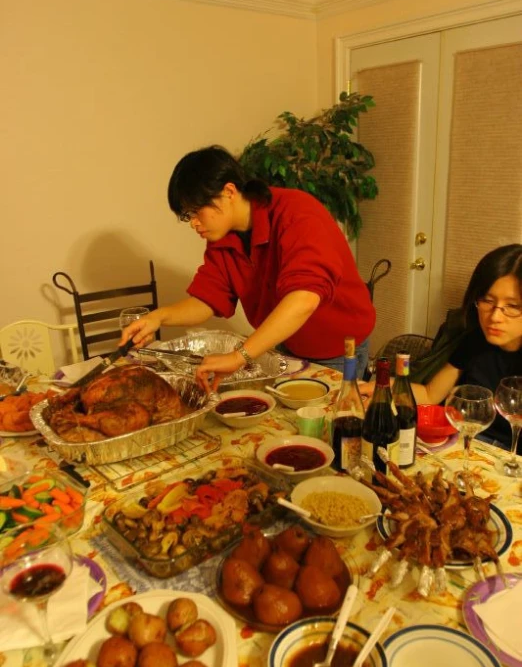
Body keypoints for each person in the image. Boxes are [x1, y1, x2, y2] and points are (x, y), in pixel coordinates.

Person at [122, 145, 375, 391]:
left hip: (338, 347)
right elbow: (207, 299)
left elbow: (304, 299)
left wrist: (239, 356)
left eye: (196, 211)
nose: (194, 223)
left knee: (333, 426)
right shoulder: (222, 239)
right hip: (290, 344)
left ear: (229, 192)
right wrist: (158, 317)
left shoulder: (297, 213)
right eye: (188, 216)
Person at [360, 244, 522, 452]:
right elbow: (430, 394)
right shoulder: (475, 339)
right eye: (487, 301)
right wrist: (378, 388)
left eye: (513, 306)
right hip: (464, 444)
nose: (495, 317)